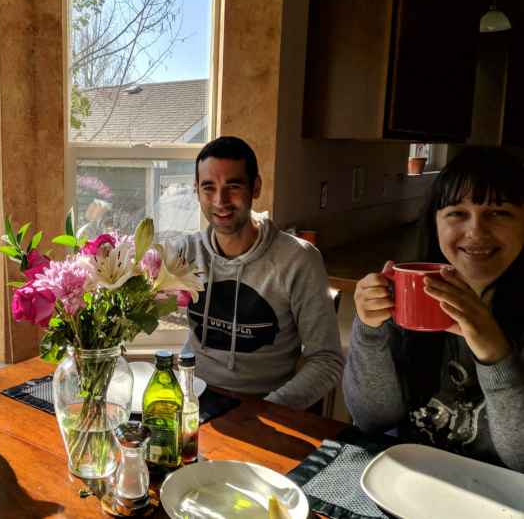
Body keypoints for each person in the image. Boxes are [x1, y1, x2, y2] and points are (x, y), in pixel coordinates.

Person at [344, 146, 524, 471]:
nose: (476, 231)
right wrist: (370, 331)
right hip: (407, 480)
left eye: (499, 213)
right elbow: (371, 421)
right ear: (435, 223)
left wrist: (495, 354)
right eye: (456, 213)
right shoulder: (410, 297)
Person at [179, 136, 344, 410]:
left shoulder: (298, 260)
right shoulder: (186, 253)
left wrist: (268, 409)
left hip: (267, 404)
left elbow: (327, 360)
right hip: (196, 400)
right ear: (196, 190)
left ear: (255, 187)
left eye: (233, 186)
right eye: (209, 187)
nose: (220, 201)